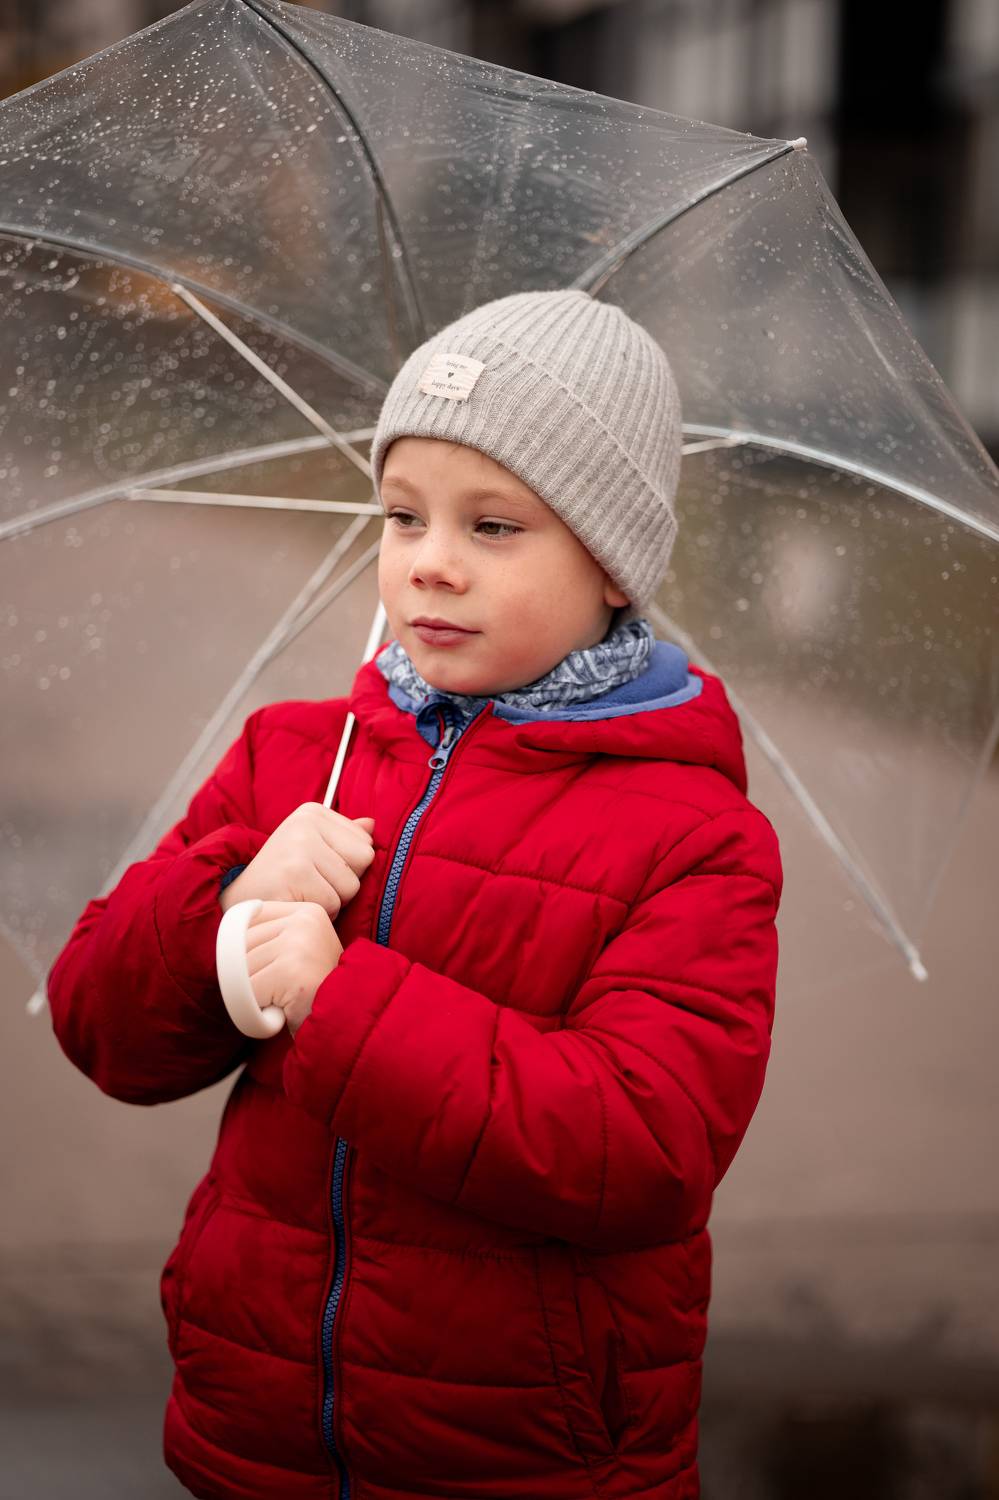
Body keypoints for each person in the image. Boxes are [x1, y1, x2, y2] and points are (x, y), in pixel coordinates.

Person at [47, 288, 783, 1500]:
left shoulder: (692, 835)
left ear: (612, 564)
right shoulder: (296, 757)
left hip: (524, 1454)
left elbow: (645, 1147)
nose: (430, 561)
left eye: (493, 526)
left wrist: (338, 1004)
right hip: (257, 1427)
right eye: (403, 515)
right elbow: (100, 1026)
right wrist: (231, 901)